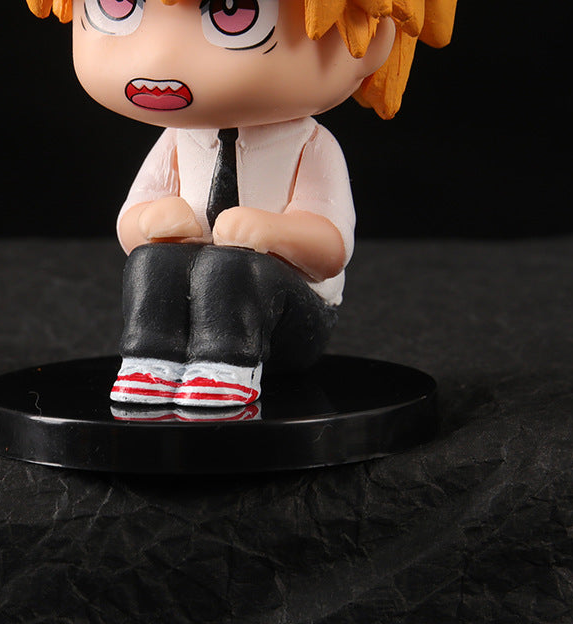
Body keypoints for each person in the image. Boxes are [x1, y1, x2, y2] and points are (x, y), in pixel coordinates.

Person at [25, 0, 457, 406]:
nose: (159, 58)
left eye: (234, 13)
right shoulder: (179, 140)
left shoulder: (309, 145)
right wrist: (149, 222)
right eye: (116, 6)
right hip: (192, 307)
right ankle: (150, 360)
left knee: (232, 266)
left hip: (287, 319)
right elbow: (130, 224)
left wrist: (273, 233)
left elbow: (331, 250)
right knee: (151, 260)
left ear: (375, 37)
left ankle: (228, 369)